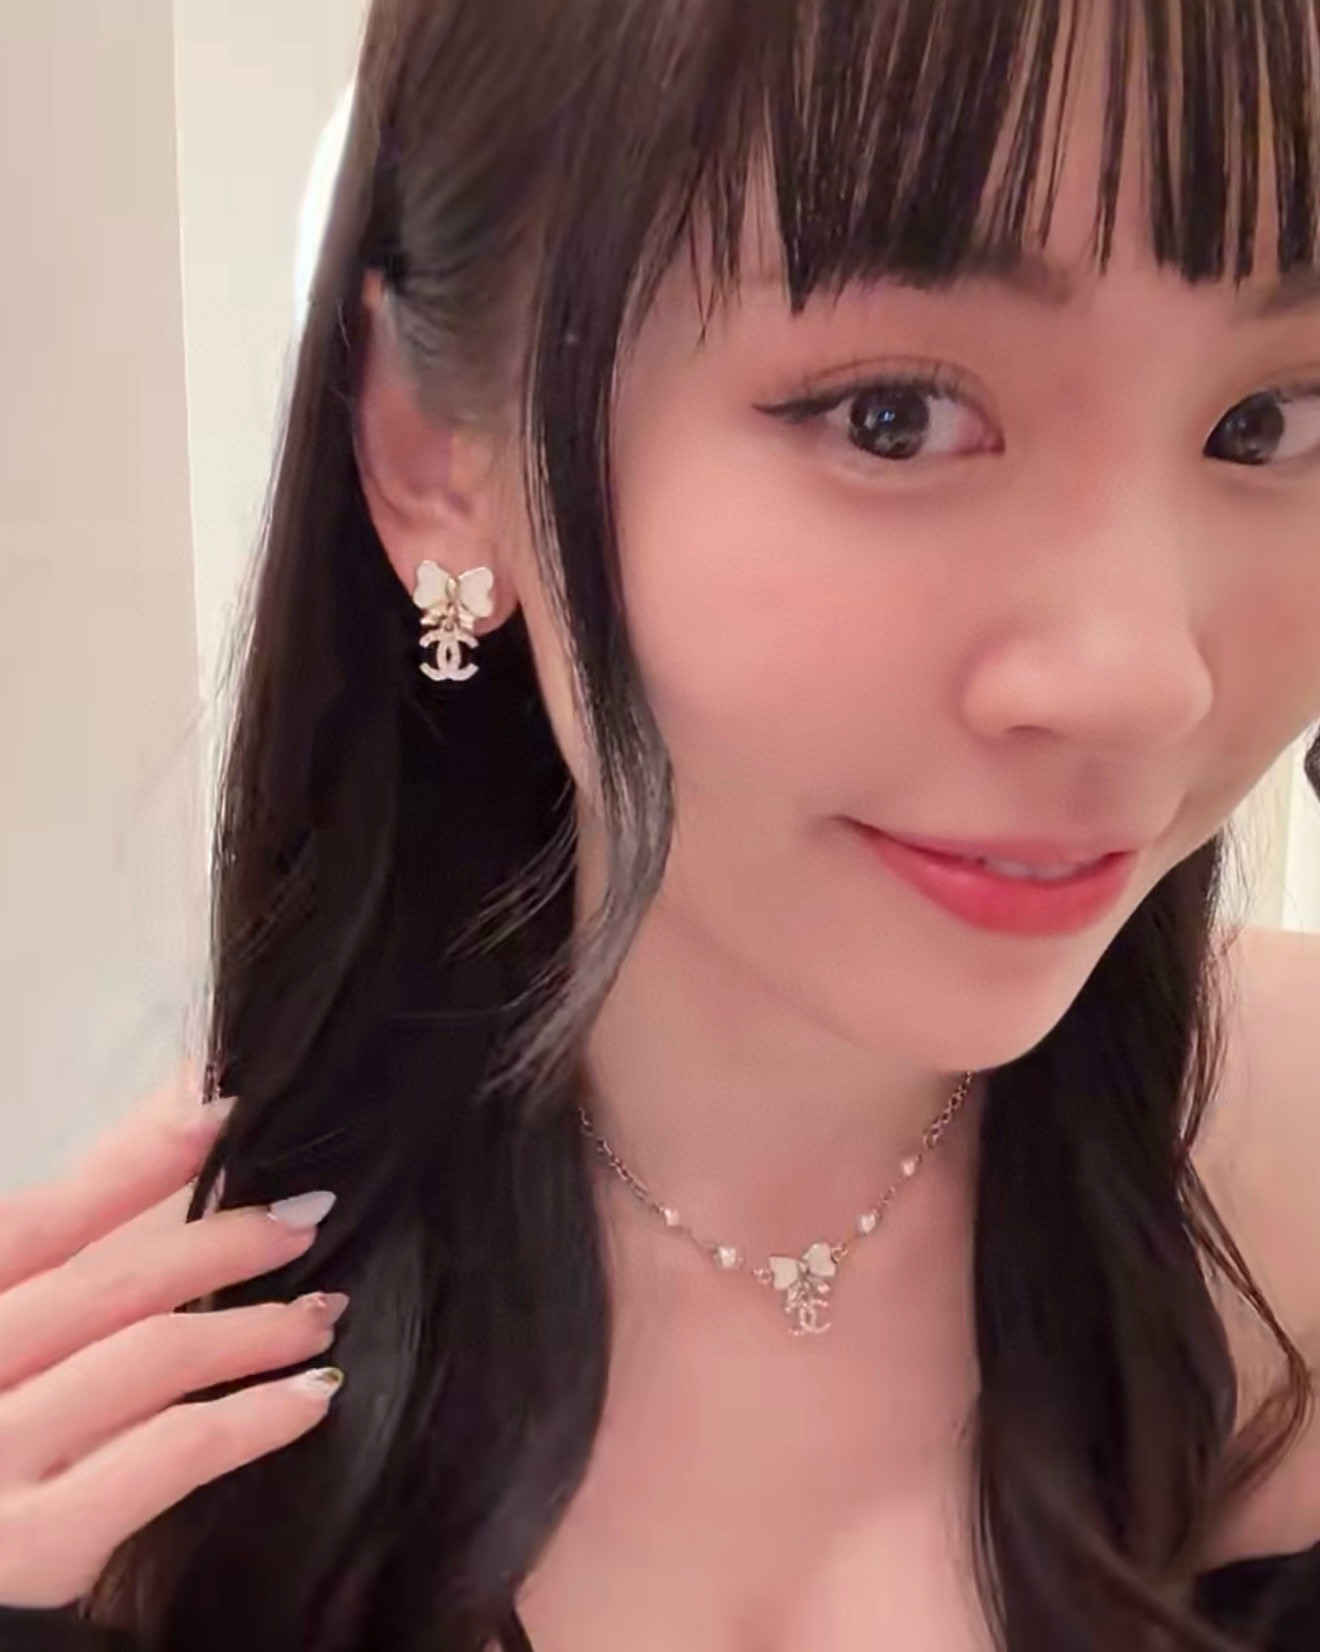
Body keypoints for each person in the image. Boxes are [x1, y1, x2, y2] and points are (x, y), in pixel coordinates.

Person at [1, 0, 1320, 1648]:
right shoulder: (169, 1377)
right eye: (892, 416)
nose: (1145, 681)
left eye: (1272, 421)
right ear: (436, 458)